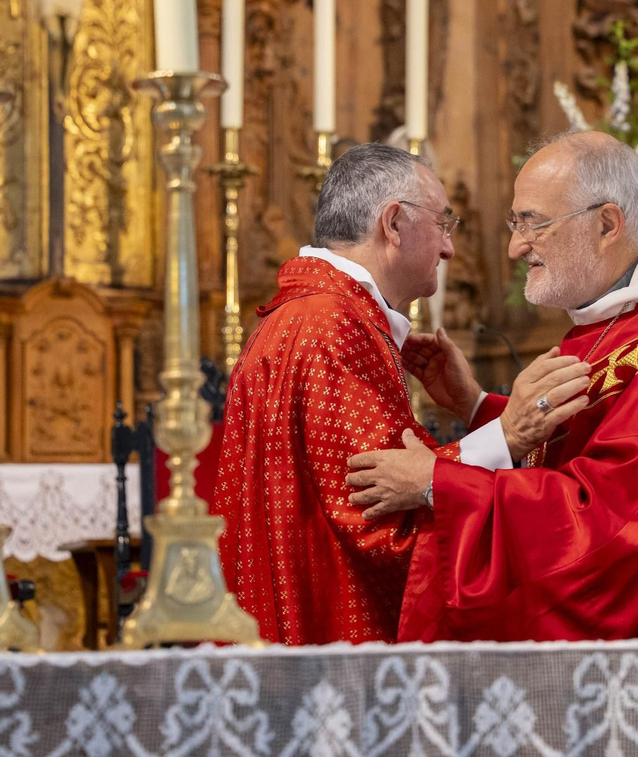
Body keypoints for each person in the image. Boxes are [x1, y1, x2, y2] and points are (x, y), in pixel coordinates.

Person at [347, 131, 638, 642]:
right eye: (515, 223)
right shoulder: (610, 331)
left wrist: (440, 480)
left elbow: (613, 534)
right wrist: (477, 404)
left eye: (534, 224)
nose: (514, 247)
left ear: (607, 224)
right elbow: (578, 451)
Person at [212, 143, 588, 645]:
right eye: (443, 225)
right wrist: (509, 434)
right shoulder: (331, 325)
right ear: (393, 224)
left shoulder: (314, 313)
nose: (449, 250)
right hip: (333, 650)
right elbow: (382, 520)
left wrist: (475, 407)